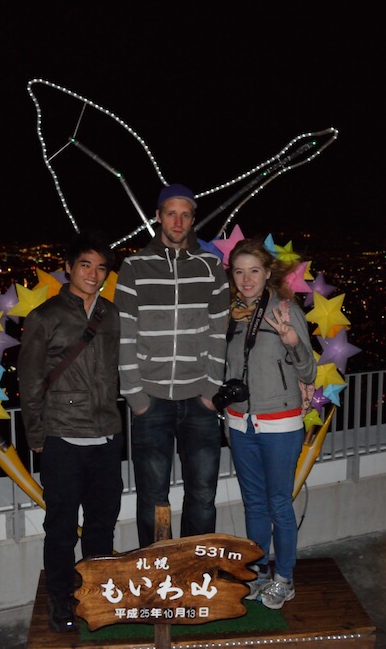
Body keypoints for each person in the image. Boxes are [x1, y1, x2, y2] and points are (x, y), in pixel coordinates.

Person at [114, 184, 230, 548]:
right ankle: (157, 570)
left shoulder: (210, 267)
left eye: (185, 214)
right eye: (170, 213)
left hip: (200, 400)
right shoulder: (134, 268)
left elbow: (218, 332)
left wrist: (212, 391)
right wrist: (135, 396)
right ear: (158, 217)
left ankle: (195, 572)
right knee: (152, 498)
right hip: (151, 400)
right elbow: (125, 336)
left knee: (202, 495)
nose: (178, 221)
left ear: (193, 219)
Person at [18, 230, 123, 633]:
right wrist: (37, 437)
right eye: (85, 265)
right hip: (62, 435)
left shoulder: (110, 315)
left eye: (100, 267)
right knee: (60, 528)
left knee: (102, 523)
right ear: (68, 267)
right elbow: (29, 382)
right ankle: (60, 599)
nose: (93, 274)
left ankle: (95, 595)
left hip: (107, 436)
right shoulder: (44, 317)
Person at [222, 237, 317, 610]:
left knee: (279, 503)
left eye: (254, 271)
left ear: (267, 274)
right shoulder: (229, 314)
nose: (247, 280)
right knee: (253, 504)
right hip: (239, 422)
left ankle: (285, 577)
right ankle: (259, 571)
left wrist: (292, 341)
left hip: (279, 420)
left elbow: (308, 369)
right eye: (240, 272)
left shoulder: (284, 309)